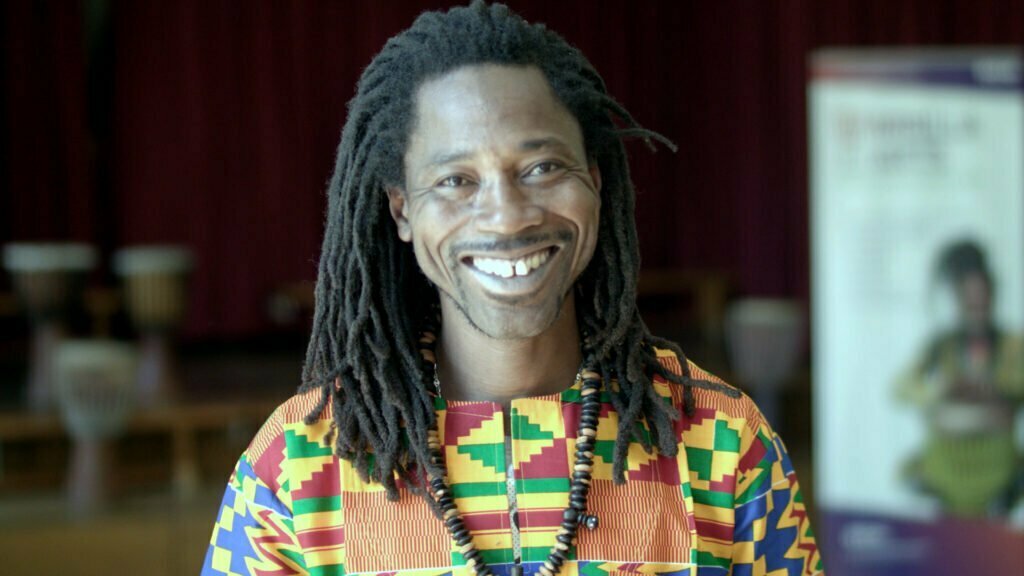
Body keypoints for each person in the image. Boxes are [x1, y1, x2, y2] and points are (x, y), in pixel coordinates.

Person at [201, 2, 822, 575]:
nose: (507, 216)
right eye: (455, 180)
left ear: (596, 181)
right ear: (401, 211)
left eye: (542, 167)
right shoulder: (296, 470)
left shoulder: (721, 444)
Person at [896, 240, 1024, 519]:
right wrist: (938, 389)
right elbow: (902, 387)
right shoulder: (941, 347)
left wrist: (1001, 388)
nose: (976, 304)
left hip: (998, 469)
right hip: (945, 467)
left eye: (982, 296)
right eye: (969, 297)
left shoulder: (1012, 346)